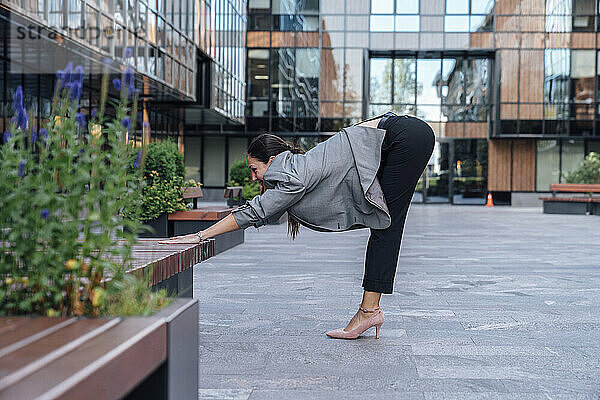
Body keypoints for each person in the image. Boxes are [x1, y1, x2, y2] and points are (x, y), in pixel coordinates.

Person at [162, 112, 435, 339]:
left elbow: (254, 212)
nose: (256, 178)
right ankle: (370, 311)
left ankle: (369, 312)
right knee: (384, 225)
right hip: (403, 136)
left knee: (385, 225)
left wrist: (199, 236)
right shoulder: (299, 168)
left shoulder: (292, 173)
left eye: (255, 170)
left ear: (271, 161)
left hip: (406, 137)